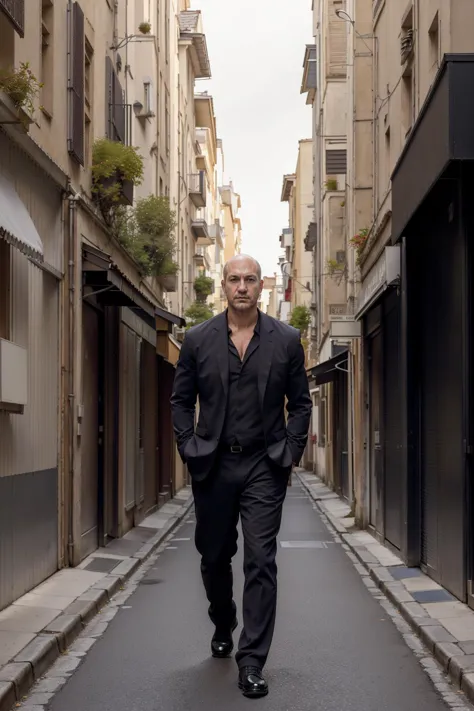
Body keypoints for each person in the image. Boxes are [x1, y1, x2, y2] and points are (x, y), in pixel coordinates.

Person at [170, 254, 312, 698]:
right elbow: (180, 400)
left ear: (261, 287)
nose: (243, 287)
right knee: (214, 557)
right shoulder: (197, 339)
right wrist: (188, 446)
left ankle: (251, 662)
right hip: (212, 464)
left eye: (251, 279)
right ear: (224, 286)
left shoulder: (287, 340)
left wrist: (288, 452)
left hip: (263, 466)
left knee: (261, 561)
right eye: (235, 279)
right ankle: (223, 617)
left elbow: (301, 404)